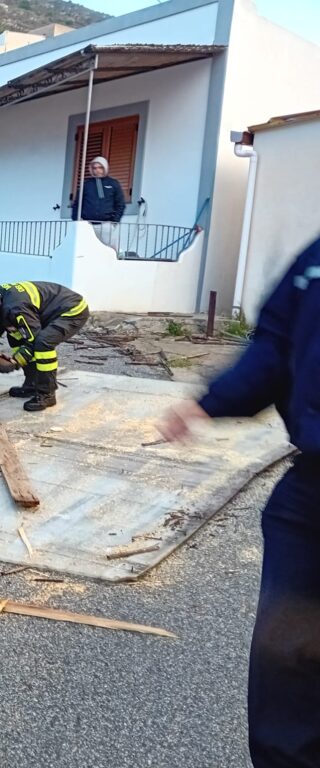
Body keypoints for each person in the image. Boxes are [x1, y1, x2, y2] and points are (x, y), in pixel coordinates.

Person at [158, 236, 320, 767]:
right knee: (287, 661)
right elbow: (274, 345)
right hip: (311, 496)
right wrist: (212, 400)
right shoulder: (314, 260)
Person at [0, 281, 89, 412]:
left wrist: (16, 362)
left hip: (72, 310)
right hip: (48, 310)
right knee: (14, 336)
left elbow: (33, 340)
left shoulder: (16, 308)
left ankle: (47, 394)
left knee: (43, 344)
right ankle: (32, 384)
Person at [72, 155, 126, 249]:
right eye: (94, 168)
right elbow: (76, 204)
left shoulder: (113, 183)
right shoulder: (86, 185)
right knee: (88, 250)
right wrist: (77, 219)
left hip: (106, 225)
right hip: (88, 225)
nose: (97, 170)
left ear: (105, 167)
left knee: (110, 251)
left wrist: (114, 222)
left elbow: (120, 204)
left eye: (100, 167)